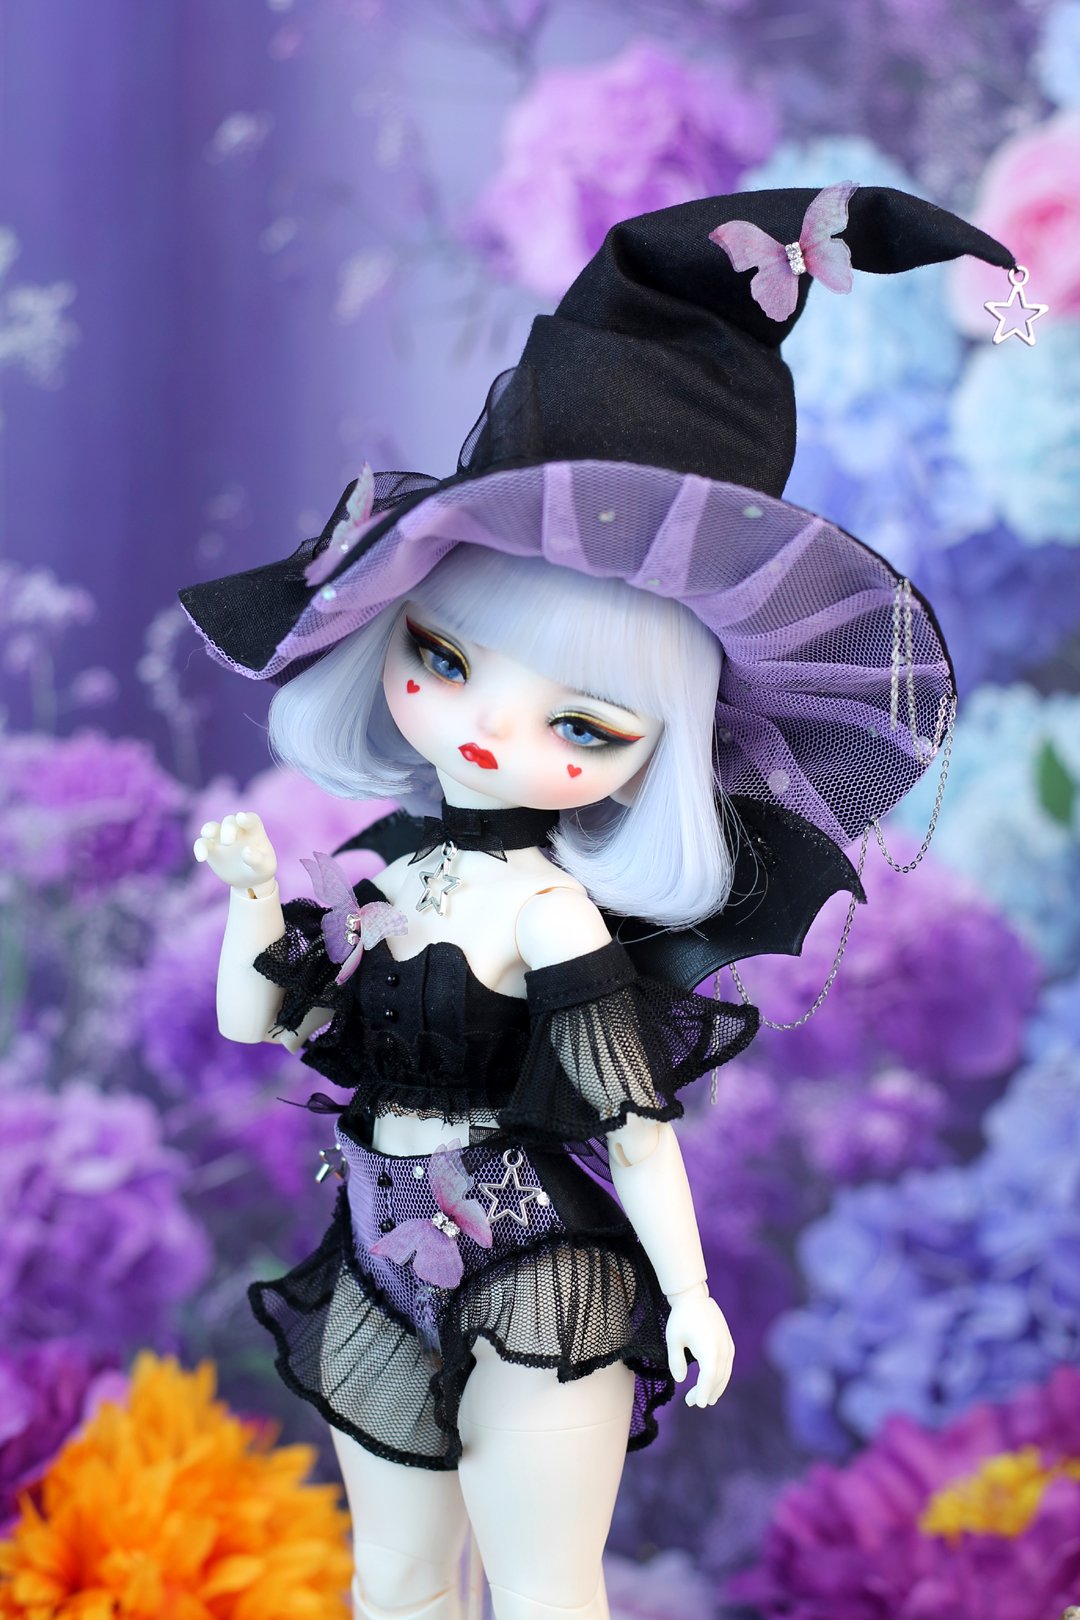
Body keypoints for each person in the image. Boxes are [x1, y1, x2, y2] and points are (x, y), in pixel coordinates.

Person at [182, 185, 1015, 1620]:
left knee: (547, 1591)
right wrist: (258, 901)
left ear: (665, 751)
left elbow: (634, 1126)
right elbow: (258, 1024)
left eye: (583, 724)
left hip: (534, 1272)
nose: (488, 733)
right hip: (372, 1250)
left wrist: (688, 1294)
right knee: (394, 1579)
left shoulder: (555, 916)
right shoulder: (385, 871)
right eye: (444, 659)